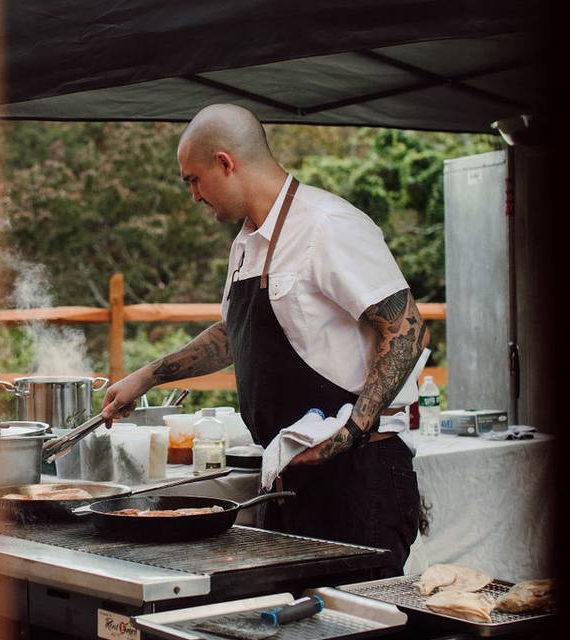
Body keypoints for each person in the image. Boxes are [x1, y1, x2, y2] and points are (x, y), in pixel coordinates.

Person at [102, 104, 429, 576]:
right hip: (292, 474)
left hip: (360, 476)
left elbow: (406, 328)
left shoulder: (327, 225)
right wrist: (150, 376)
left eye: (193, 179)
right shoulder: (246, 242)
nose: (193, 194)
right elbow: (234, 336)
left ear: (225, 162)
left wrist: (350, 431)